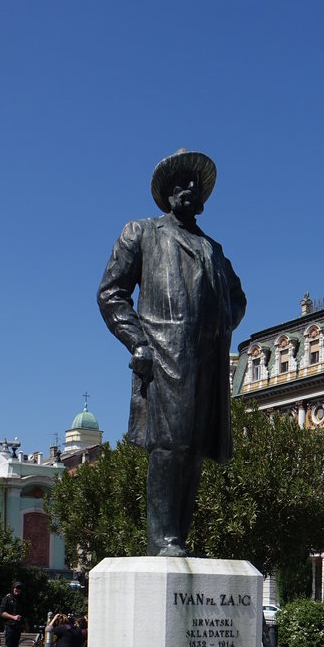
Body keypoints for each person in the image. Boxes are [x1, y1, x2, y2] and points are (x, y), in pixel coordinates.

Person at [98, 149, 247, 556]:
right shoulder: (142, 232)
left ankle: (178, 535)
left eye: (195, 185)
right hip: (163, 354)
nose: (189, 190)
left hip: (208, 362)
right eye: (180, 183)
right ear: (167, 193)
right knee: (170, 445)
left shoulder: (213, 249)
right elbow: (111, 294)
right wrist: (137, 341)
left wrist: (218, 328)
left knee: (195, 449)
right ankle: (163, 538)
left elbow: (237, 297)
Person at [0, 581, 25, 647]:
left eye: (19, 588)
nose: (17, 590)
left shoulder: (21, 599)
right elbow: (2, 613)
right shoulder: (7, 598)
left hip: (18, 627)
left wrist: (26, 624)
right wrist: (13, 617)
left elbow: (25, 613)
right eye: (16, 588)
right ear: (13, 588)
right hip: (9, 627)